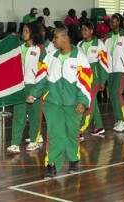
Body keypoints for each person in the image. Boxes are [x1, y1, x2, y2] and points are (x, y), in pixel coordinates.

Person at [27, 25, 92, 178]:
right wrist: (34, 94)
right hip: (52, 103)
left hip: (73, 104)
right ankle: (51, 164)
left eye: (55, 37)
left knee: (71, 133)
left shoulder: (80, 57)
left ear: (65, 38)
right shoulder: (50, 57)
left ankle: (73, 159)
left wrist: (82, 101)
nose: (53, 40)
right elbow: (42, 79)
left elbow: (86, 82)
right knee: (55, 134)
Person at [6, 22, 45, 154]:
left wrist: (36, 91)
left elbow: (43, 72)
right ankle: (15, 143)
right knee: (18, 115)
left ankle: (34, 140)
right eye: (23, 30)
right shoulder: (19, 48)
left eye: (26, 31)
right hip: (20, 86)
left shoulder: (40, 49)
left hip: (34, 86)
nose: (23, 33)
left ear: (33, 33)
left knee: (34, 115)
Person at [103, 13, 124, 132]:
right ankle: (118, 119)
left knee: (117, 93)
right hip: (109, 70)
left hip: (121, 69)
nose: (111, 23)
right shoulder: (107, 37)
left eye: (114, 21)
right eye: (110, 21)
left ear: (119, 22)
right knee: (112, 95)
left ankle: (122, 119)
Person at [77, 22, 109, 140]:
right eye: (82, 30)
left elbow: (104, 63)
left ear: (92, 30)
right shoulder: (79, 45)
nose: (84, 32)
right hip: (83, 79)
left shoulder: (99, 44)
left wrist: (103, 80)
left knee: (88, 103)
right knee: (93, 102)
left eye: (86, 29)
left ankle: (81, 129)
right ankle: (99, 126)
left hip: (95, 79)